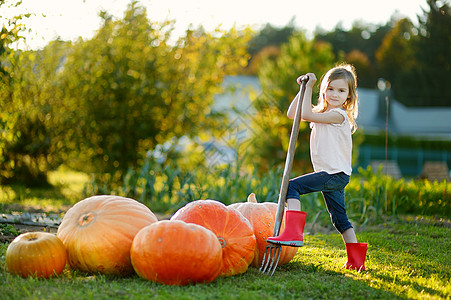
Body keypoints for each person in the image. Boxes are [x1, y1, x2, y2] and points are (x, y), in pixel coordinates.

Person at [267, 64, 367, 271]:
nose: (335, 94)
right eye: (331, 89)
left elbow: (306, 113)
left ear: (348, 96)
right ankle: (357, 262)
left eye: (341, 91)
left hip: (333, 173)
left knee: (291, 187)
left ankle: (294, 233)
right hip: (334, 175)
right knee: (340, 220)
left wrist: (310, 86)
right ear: (324, 90)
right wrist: (303, 88)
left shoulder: (338, 115)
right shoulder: (323, 113)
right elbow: (292, 113)